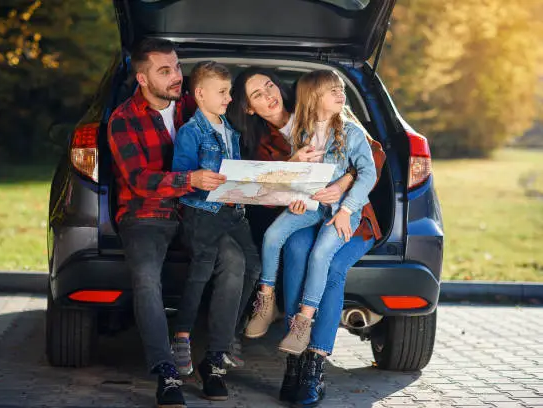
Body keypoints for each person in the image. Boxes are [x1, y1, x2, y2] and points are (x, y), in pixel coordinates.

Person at [227, 67, 385, 406]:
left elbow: (375, 157)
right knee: (297, 250)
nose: (268, 94)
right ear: (249, 108)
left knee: (331, 267)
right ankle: (294, 362)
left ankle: (314, 363)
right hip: (307, 216)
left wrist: (342, 186)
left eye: (269, 85)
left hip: (349, 217)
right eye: (257, 94)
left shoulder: (320, 110)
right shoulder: (262, 144)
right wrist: (292, 172)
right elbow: (266, 193)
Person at [107, 39, 245, 408]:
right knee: (146, 279)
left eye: (177, 68)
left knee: (234, 263)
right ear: (141, 78)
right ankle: (166, 371)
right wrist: (191, 180)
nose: (175, 77)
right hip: (146, 214)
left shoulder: (193, 104)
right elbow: (139, 179)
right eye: (164, 71)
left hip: (198, 213)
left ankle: (214, 360)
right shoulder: (123, 119)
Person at [246, 69, 377, 355]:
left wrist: (346, 204)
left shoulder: (350, 132)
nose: (340, 94)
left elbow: (370, 170)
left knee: (321, 254)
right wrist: (293, 195)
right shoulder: (298, 132)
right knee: (273, 235)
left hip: (342, 209)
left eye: (340, 89)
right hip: (309, 205)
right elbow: (276, 183)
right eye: (332, 90)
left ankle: (303, 321)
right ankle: (266, 300)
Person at [169, 61, 261, 400]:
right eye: (222, 92)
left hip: (233, 214)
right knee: (207, 268)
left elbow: (235, 174)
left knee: (252, 266)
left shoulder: (230, 130)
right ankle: (185, 338)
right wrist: (199, 183)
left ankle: (223, 340)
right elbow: (181, 178)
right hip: (202, 214)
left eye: (229, 92)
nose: (228, 98)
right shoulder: (190, 132)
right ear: (200, 94)